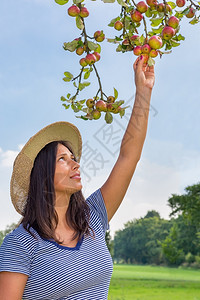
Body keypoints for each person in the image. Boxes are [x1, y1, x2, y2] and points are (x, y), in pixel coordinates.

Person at [0, 56, 155, 300]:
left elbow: (128, 157)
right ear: (41, 175)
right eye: (63, 159)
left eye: (73, 157)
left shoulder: (93, 216)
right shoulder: (20, 244)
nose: (75, 163)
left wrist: (143, 92)